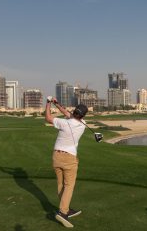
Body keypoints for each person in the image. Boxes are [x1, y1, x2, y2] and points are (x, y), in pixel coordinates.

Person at [45, 97, 88, 228]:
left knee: (61, 184)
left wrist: (48, 103)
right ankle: (63, 212)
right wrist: (57, 104)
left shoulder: (63, 122)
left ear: (74, 111)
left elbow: (48, 117)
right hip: (69, 159)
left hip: (56, 157)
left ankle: (66, 209)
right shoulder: (83, 125)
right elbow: (67, 114)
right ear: (82, 115)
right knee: (69, 186)